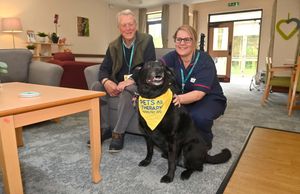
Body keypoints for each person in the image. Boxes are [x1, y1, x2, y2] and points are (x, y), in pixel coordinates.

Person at [90, 9, 156, 152]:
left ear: (136, 25)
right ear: (119, 28)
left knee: (128, 90)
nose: (128, 28)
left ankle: (118, 133)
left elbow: (149, 66)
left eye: (131, 24)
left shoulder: (146, 40)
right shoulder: (113, 45)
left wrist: (130, 80)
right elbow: (103, 69)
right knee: (96, 86)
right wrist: (107, 81)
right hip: (116, 84)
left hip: (138, 83)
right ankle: (105, 128)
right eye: (124, 25)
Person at [160, 25, 227, 149]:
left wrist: (176, 99)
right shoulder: (173, 56)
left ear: (194, 42)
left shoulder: (204, 60)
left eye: (187, 39)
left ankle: (204, 142)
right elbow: (155, 66)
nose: (182, 43)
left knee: (198, 116)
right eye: (179, 39)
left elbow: (198, 94)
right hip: (185, 95)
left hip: (209, 97)